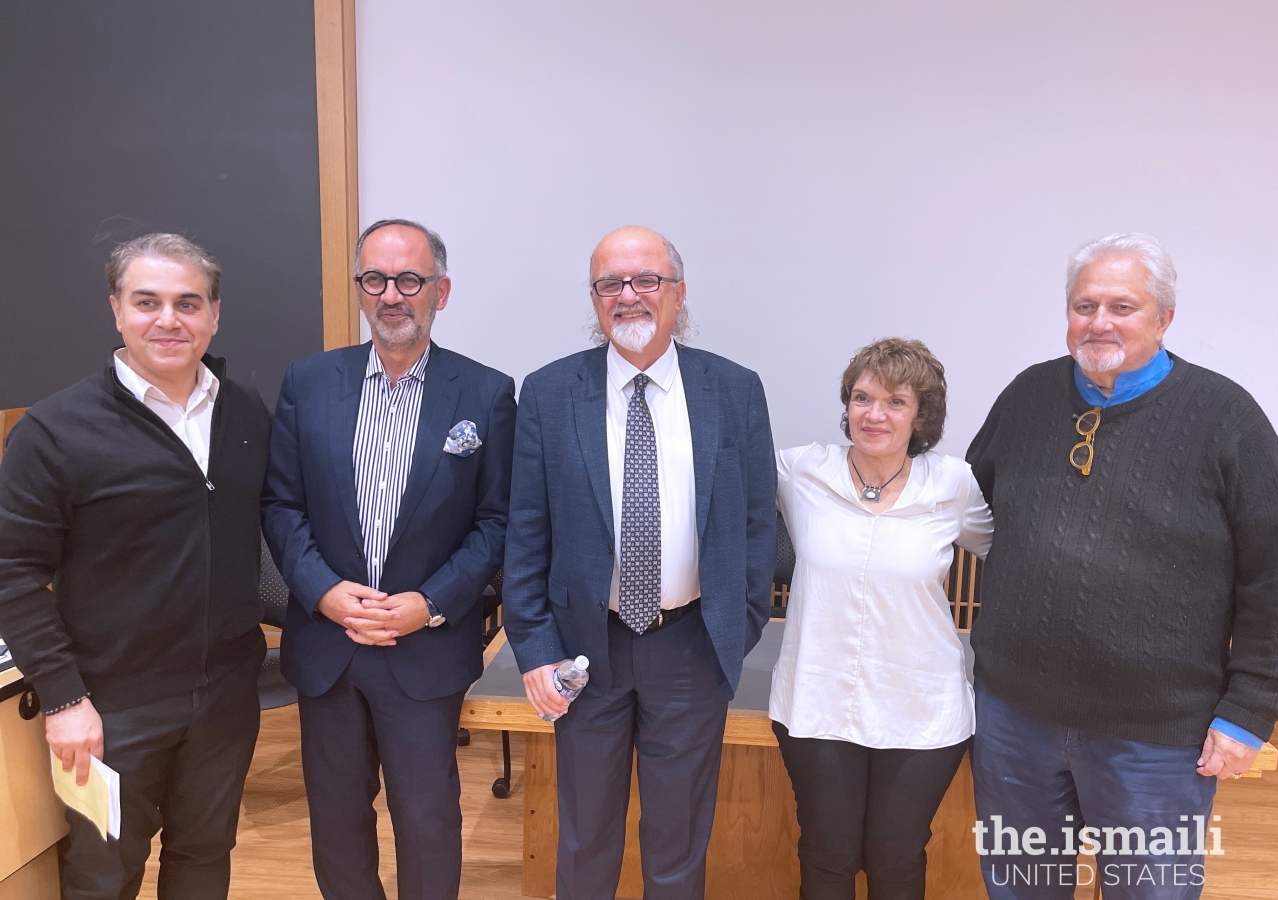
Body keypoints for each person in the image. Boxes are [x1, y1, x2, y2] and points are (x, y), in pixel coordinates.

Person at [966, 233, 1278, 900]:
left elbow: (1271, 578)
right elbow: (966, 508)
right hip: (1015, 722)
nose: (1099, 322)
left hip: (1155, 742)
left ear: (1164, 318)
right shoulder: (1028, 396)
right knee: (1020, 890)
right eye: (1085, 305)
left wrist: (1249, 710)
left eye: (1122, 306)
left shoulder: (1228, 421)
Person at [503, 225, 777, 900]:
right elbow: (526, 532)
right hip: (582, 652)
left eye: (646, 280)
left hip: (690, 647)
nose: (629, 296)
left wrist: (733, 630)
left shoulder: (734, 391)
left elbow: (754, 523)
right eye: (610, 284)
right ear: (594, 299)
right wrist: (535, 649)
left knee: (677, 844)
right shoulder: (549, 391)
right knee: (585, 837)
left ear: (679, 294)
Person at [0, 234, 270, 899]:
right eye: (147, 301)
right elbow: (11, 569)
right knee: (104, 875)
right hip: (110, 703)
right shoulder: (57, 429)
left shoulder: (245, 415)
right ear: (117, 310)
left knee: (205, 856)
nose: (168, 320)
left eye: (188, 302)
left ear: (214, 314)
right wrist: (63, 696)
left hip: (228, 691)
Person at [261, 219, 515, 900]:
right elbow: (281, 506)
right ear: (359, 289)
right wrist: (322, 591)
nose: (392, 295)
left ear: (442, 290)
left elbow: (496, 522)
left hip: (423, 650)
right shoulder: (308, 382)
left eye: (410, 279)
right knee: (337, 824)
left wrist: (429, 604)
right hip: (329, 644)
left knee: (428, 822)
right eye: (376, 279)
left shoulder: (487, 395)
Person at [770, 339, 992, 900]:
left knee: (895, 858)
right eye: (862, 398)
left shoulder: (953, 485)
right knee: (826, 857)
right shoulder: (799, 471)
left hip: (921, 708)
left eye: (896, 401)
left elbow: (1016, 555)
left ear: (922, 415)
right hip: (817, 702)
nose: (874, 414)